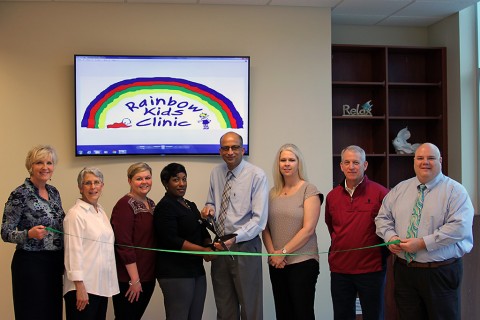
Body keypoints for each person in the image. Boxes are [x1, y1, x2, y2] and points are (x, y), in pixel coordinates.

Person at [375, 143, 474, 320]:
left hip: (440, 272)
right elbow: (382, 218)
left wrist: (422, 243)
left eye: (431, 158)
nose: (425, 162)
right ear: (414, 161)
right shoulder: (400, 189)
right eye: (420, 158)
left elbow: (459, 227)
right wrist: (391, 237)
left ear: (440, 161)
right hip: (405, 272)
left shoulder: (455, 191)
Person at [201, 131, 269, 320]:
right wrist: (209, 209)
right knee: (224, 307)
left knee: (250, 306)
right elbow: (211, 202)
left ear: (243, 149)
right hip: (220, 245)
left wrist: (235, 238)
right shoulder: (216, 172)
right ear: (220, 151)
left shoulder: (257, 175)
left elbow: (259, 220)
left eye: (235, 147)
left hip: (245, 246)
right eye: (225, 148)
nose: (230, 152)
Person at [325, 145, 389, 320]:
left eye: (356, 162)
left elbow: (389, 228)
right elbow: (332, 227)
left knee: (374, 315)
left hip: (371, 269)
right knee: (342, 315)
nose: (351, 166)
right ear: (341, 166)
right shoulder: (332, 196)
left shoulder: (381, 193)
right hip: (340, 270)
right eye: (347, 162)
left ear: (365, 165)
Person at [1, 145, 65, 320]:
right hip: (30, 264)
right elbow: (5, 232)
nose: (45, 167)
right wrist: (28, 234)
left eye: (49, 163)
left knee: (53, 313)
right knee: (32, 313)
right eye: (39, 162)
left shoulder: (54, 193)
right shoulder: (19, 194)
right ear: (31, 166)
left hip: (53, 264)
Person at [262, 143, 323, 320]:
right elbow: (264, 227)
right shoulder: (272, 193)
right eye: (283, 160)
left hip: (303, 263)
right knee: (283, 314)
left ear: (299, 163)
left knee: (302, 314)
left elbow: (308, 229)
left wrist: (283, 252)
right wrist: (273, 254)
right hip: (277, 263)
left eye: (291, 160)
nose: (287, 164)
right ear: (278, 164)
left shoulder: (309, 190)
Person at [154, 162, 213, 320]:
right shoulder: (164, 207)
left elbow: (203, 231)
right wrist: (203, 252)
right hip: (175, 273)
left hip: (196, 271)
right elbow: (172, 240)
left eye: (184, 179)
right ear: (166, 183)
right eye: (176, 180)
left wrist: (209, 246)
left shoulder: (190, 205)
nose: (181, 184)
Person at [64, 167, 120, 320]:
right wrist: (80, 287)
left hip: (100, 287)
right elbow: (72, 252)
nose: (93, 187)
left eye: (97, 182)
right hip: (83, 289)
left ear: (102, 185)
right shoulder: (75, 214)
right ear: (80, 187)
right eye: (87, 183)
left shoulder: (100, 212)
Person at [111, 162, 156, 320]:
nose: (144, 182)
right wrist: (135, 280)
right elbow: (124, 245)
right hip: (129, 279)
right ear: (129, 181)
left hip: (148, 276)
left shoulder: (151, 204)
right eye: (139, 178)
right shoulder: (124, 205)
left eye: (147, 178)